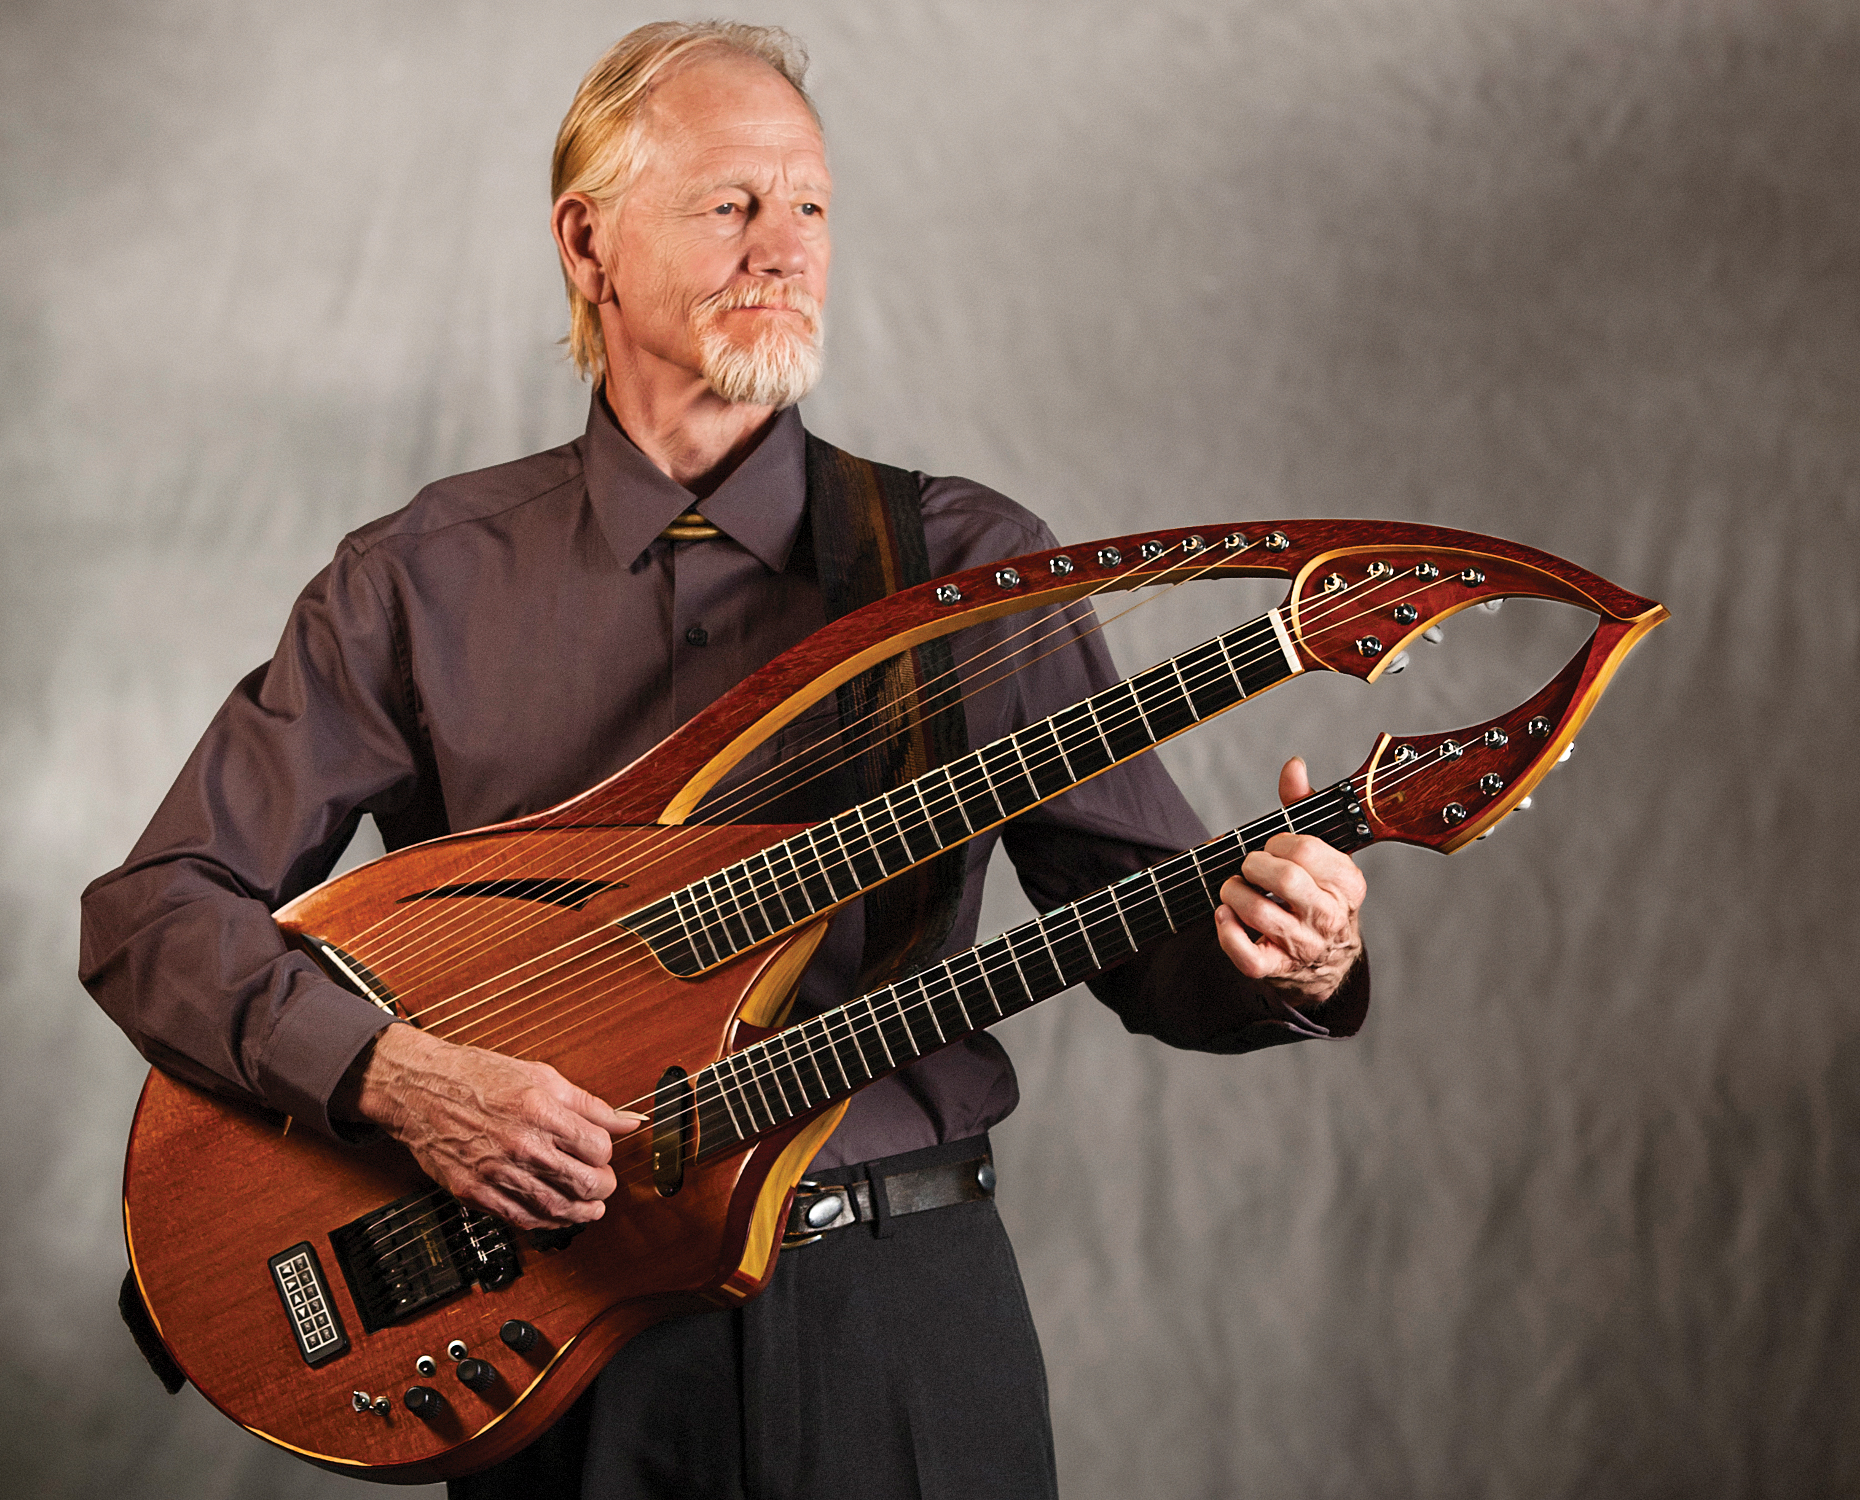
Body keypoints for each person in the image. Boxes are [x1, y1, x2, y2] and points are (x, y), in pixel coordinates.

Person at [80, 21, 1368, 1499]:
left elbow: (1154, 946)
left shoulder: (964, 569)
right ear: (587, 242)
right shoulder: (418, 581)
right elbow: (153, 913)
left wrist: (1290, 955)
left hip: (902, 1324)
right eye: (729, 204)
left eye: (810, 205)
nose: (786, 246)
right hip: (565, 1344)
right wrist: (393, 1077)